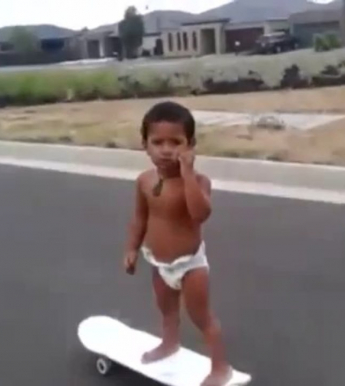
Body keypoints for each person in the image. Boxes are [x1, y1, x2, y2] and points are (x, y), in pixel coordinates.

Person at [123, 101, 233, 386]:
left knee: (202, 318)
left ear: (190, 144)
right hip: (158, 263)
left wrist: (187, 175)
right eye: (157, 142)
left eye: (176, 142)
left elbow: (201, 214)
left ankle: (221, 367)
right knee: (167, 311)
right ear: (144, 145)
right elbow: (139, 218)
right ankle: (169, 343)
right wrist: (132, 248)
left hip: (190, 265)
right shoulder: (144, 181)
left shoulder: (198, 181)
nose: (166, 149)